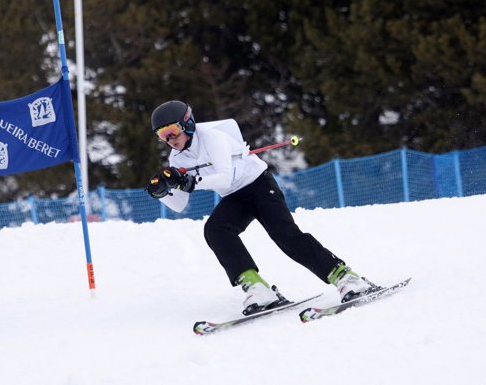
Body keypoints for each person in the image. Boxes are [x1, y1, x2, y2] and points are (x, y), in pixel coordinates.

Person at [146, 100, 375, 315]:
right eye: (162, 135)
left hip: (259, 185)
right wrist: (163, 193)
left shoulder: (213, 139)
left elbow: (224, 178)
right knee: (215, 230)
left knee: (285, 235)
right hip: (235, 197)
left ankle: (346, 278)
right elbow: (179, 204)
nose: (170, 139)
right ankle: (257, 289)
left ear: (187, 123)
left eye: (172, 131)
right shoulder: (177, 159)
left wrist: (192, 181)